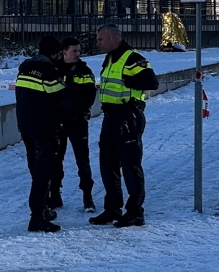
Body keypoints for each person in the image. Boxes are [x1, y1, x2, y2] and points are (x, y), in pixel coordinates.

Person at [89, 24, 159, 228]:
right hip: (111, 117)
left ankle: (135, 212)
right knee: (107, 165)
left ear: (113, 37)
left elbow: (151, 82)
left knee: (130, 165)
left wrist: (129, 82)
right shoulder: (111, 57)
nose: (98, 43)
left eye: (101, 39)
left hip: (128, 117)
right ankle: (112, 209)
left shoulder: (131, 58)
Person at [15, 35, 68, 233]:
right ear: (55, 53)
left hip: (26, 126)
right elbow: (62, 98)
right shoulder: (49, 71)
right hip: (44, 128)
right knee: (43, 173)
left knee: (35, 169)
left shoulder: (25, 68)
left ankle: (42, 210)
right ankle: (37, 216)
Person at [48, 37, 98, 212]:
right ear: (64, 52)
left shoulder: (84, 71)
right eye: (74, 51)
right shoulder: (53, 70)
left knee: (82, 160)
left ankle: (87, 197)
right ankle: (55, 195)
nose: (78, 54)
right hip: (57, 122)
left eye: (79, 50)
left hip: (77, 122)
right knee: (55, 160)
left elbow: (89, 96)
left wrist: (75, 111)